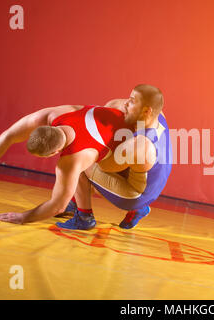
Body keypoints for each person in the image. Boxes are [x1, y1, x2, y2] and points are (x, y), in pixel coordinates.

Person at [0, 104, 130, 226]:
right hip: (131, 122)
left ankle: (86, 217)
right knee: (112, 106)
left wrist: (23, 217)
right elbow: (9, 134)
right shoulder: (56, 114)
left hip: (134, 164)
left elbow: (57, 206)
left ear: (54, 152)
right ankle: (77, 204)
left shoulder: (71, 161)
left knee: (81, 171)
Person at [57, 84, 173, 230]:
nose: (126, 103)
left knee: (78, 157)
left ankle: (84, 217)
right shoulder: (159, 116)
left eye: (131, 101)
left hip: (135, 196)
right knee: (115, 119)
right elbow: (113, 104)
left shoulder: (138, 145)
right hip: (153, 182)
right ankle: (75, 201)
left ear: (146, 110)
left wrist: (90, 137)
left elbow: (105, 165)